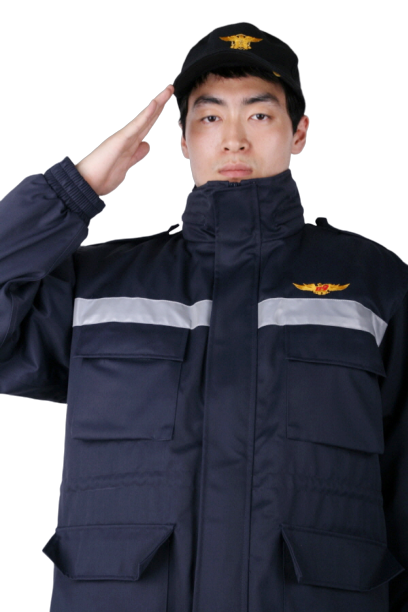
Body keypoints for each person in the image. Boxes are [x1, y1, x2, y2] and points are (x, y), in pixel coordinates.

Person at [0, 21, 407, 612]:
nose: (234, 140)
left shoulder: (373, 283)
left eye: (259, 114)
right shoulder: (98, 285)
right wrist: (74, 190)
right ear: (184, 140)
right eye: (210, 117)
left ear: (299, 133)